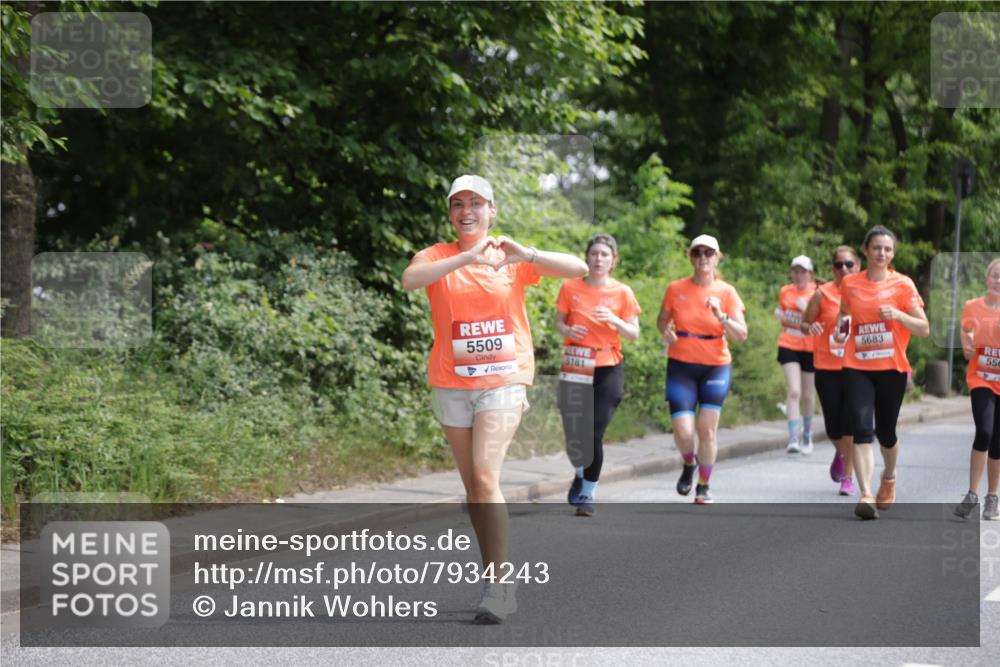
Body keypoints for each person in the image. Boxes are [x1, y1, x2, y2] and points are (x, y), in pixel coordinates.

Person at [401, 175, 587, 622]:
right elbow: (409, 281)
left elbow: (578, 268)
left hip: (504, 380)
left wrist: (527, 255)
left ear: (492, 209)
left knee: (486, 476)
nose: (468, 211)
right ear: (450, 212)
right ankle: (493, 574)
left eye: (477, 203)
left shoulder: (510, 256)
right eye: (459, 204)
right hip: (451, 383)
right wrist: (467, 257)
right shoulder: (438, 255)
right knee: (474, 491)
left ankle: (500, 587)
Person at [834, 225, 929, 520]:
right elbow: (843, 315)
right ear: (866, 251)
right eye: (876, 248)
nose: (882, 254)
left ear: (893, 253)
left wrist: (899, 315)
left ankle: (889, 475)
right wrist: (840, 332)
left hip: (891, 367)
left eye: (887, 249)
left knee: (885, 432)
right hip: (857, 366)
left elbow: (924, 329)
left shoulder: (903, 285)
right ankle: (865, 494)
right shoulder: (850, 284)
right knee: (862, 429)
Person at [657, 234, 748, 504]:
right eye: (698, 253)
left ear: (718, 257)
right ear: (691, 257)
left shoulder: (727, 292)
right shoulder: (676, 288)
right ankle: (688, 464)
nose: (703, 258)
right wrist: (666, 332)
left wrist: (722, 316)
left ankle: (704, 485)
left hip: (715, 366)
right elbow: (662, 321)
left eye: (709, 253)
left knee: (706, 429)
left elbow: (741, 335)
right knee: (684, 431)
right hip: (682, 365)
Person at [556, 233, 641, 517]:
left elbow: (634, 333)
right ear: (586, 257)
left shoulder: (622, 292)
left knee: (592, 431)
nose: (598, 259)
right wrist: (568, 331)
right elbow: (559, 322)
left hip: (607, 364)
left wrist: (615, 320)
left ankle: (587, 493)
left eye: (605, 255)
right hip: (576, 363)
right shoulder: (570, 288)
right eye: (594, 254)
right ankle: (581, 470)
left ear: (613, 261)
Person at [801, 246, 861, 496]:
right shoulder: (822, 294)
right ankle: (840, 450)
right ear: (833, 269)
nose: (844, 269)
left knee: (850, 424)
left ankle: (848, 477)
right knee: (833, 427)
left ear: (858, 265)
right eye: (839, 265)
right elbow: (805, 322)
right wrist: (809, 328)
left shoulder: (865, 291)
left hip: (857, 366)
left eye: (849, 264)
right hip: (827, 365)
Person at [954, 258, 1000, 521]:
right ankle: (972, 493)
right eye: (995, 275)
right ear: (987, 279)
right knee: (984, 431)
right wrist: (966, 345)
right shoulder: (973, 306)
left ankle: (992, 498)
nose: (998, 281)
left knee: (998, 442)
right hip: (981, 378)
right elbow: (965, 331)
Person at [775, 256, 818, 454]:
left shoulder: (818, 293)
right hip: (789, 343)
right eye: (795, 271)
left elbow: (823, 319)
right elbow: (781, 313)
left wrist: (806, 309)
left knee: (808, 394)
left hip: (810, 345)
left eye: (803, 271)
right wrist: (779, 315)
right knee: (794, 391)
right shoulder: (785, 291)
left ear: (810, 273)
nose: (798, 275)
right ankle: (793, 438)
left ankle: (807, 434)